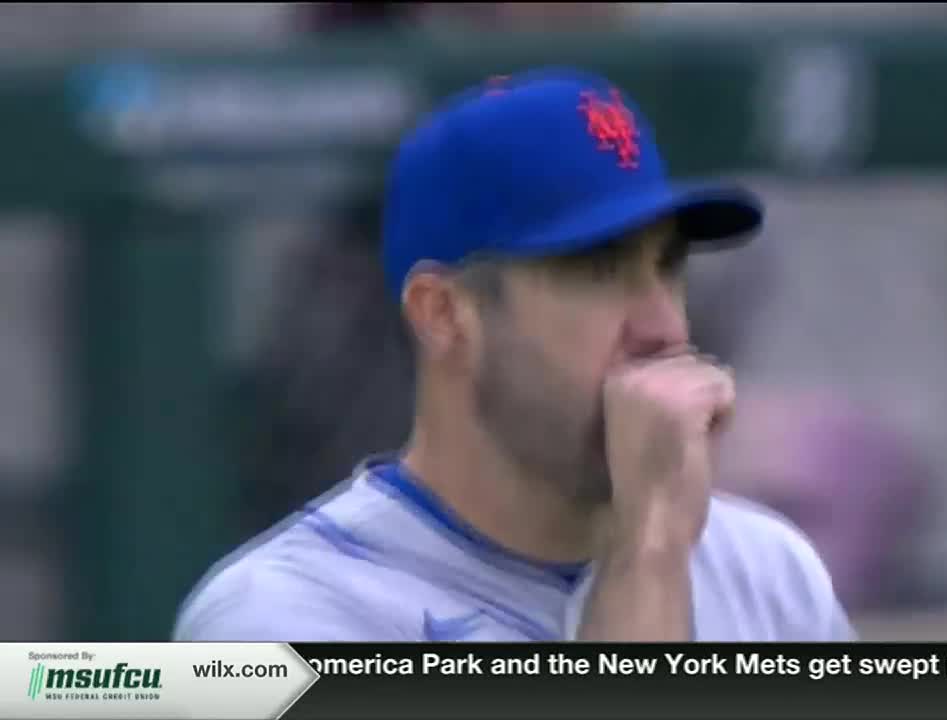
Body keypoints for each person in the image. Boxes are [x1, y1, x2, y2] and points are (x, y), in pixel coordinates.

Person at [173, 67, 855, 642]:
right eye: (596, 270)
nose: (664, 328)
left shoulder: (770, 576)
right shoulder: (282, 619)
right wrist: (644, 551)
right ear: (443, 315)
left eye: (670, 267)